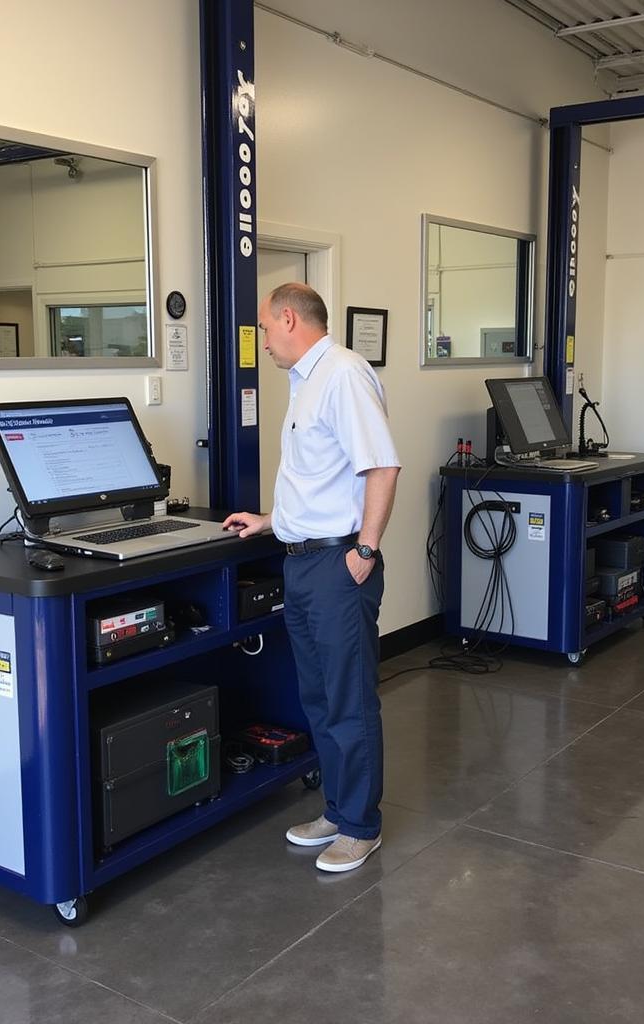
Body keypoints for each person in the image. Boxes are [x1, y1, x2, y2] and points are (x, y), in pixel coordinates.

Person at [223, 282, 400, 873]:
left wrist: (365, 550)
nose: (264, 341)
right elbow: (322, 478)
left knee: (348, 700)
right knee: (319, 698)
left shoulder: (344, 374)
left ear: (290, 320)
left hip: (337, 564)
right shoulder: (305, 383)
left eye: (266, 329)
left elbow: (381, 466)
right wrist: (273, 520)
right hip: (302, 557)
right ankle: (338, 808)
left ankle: (361, 825)